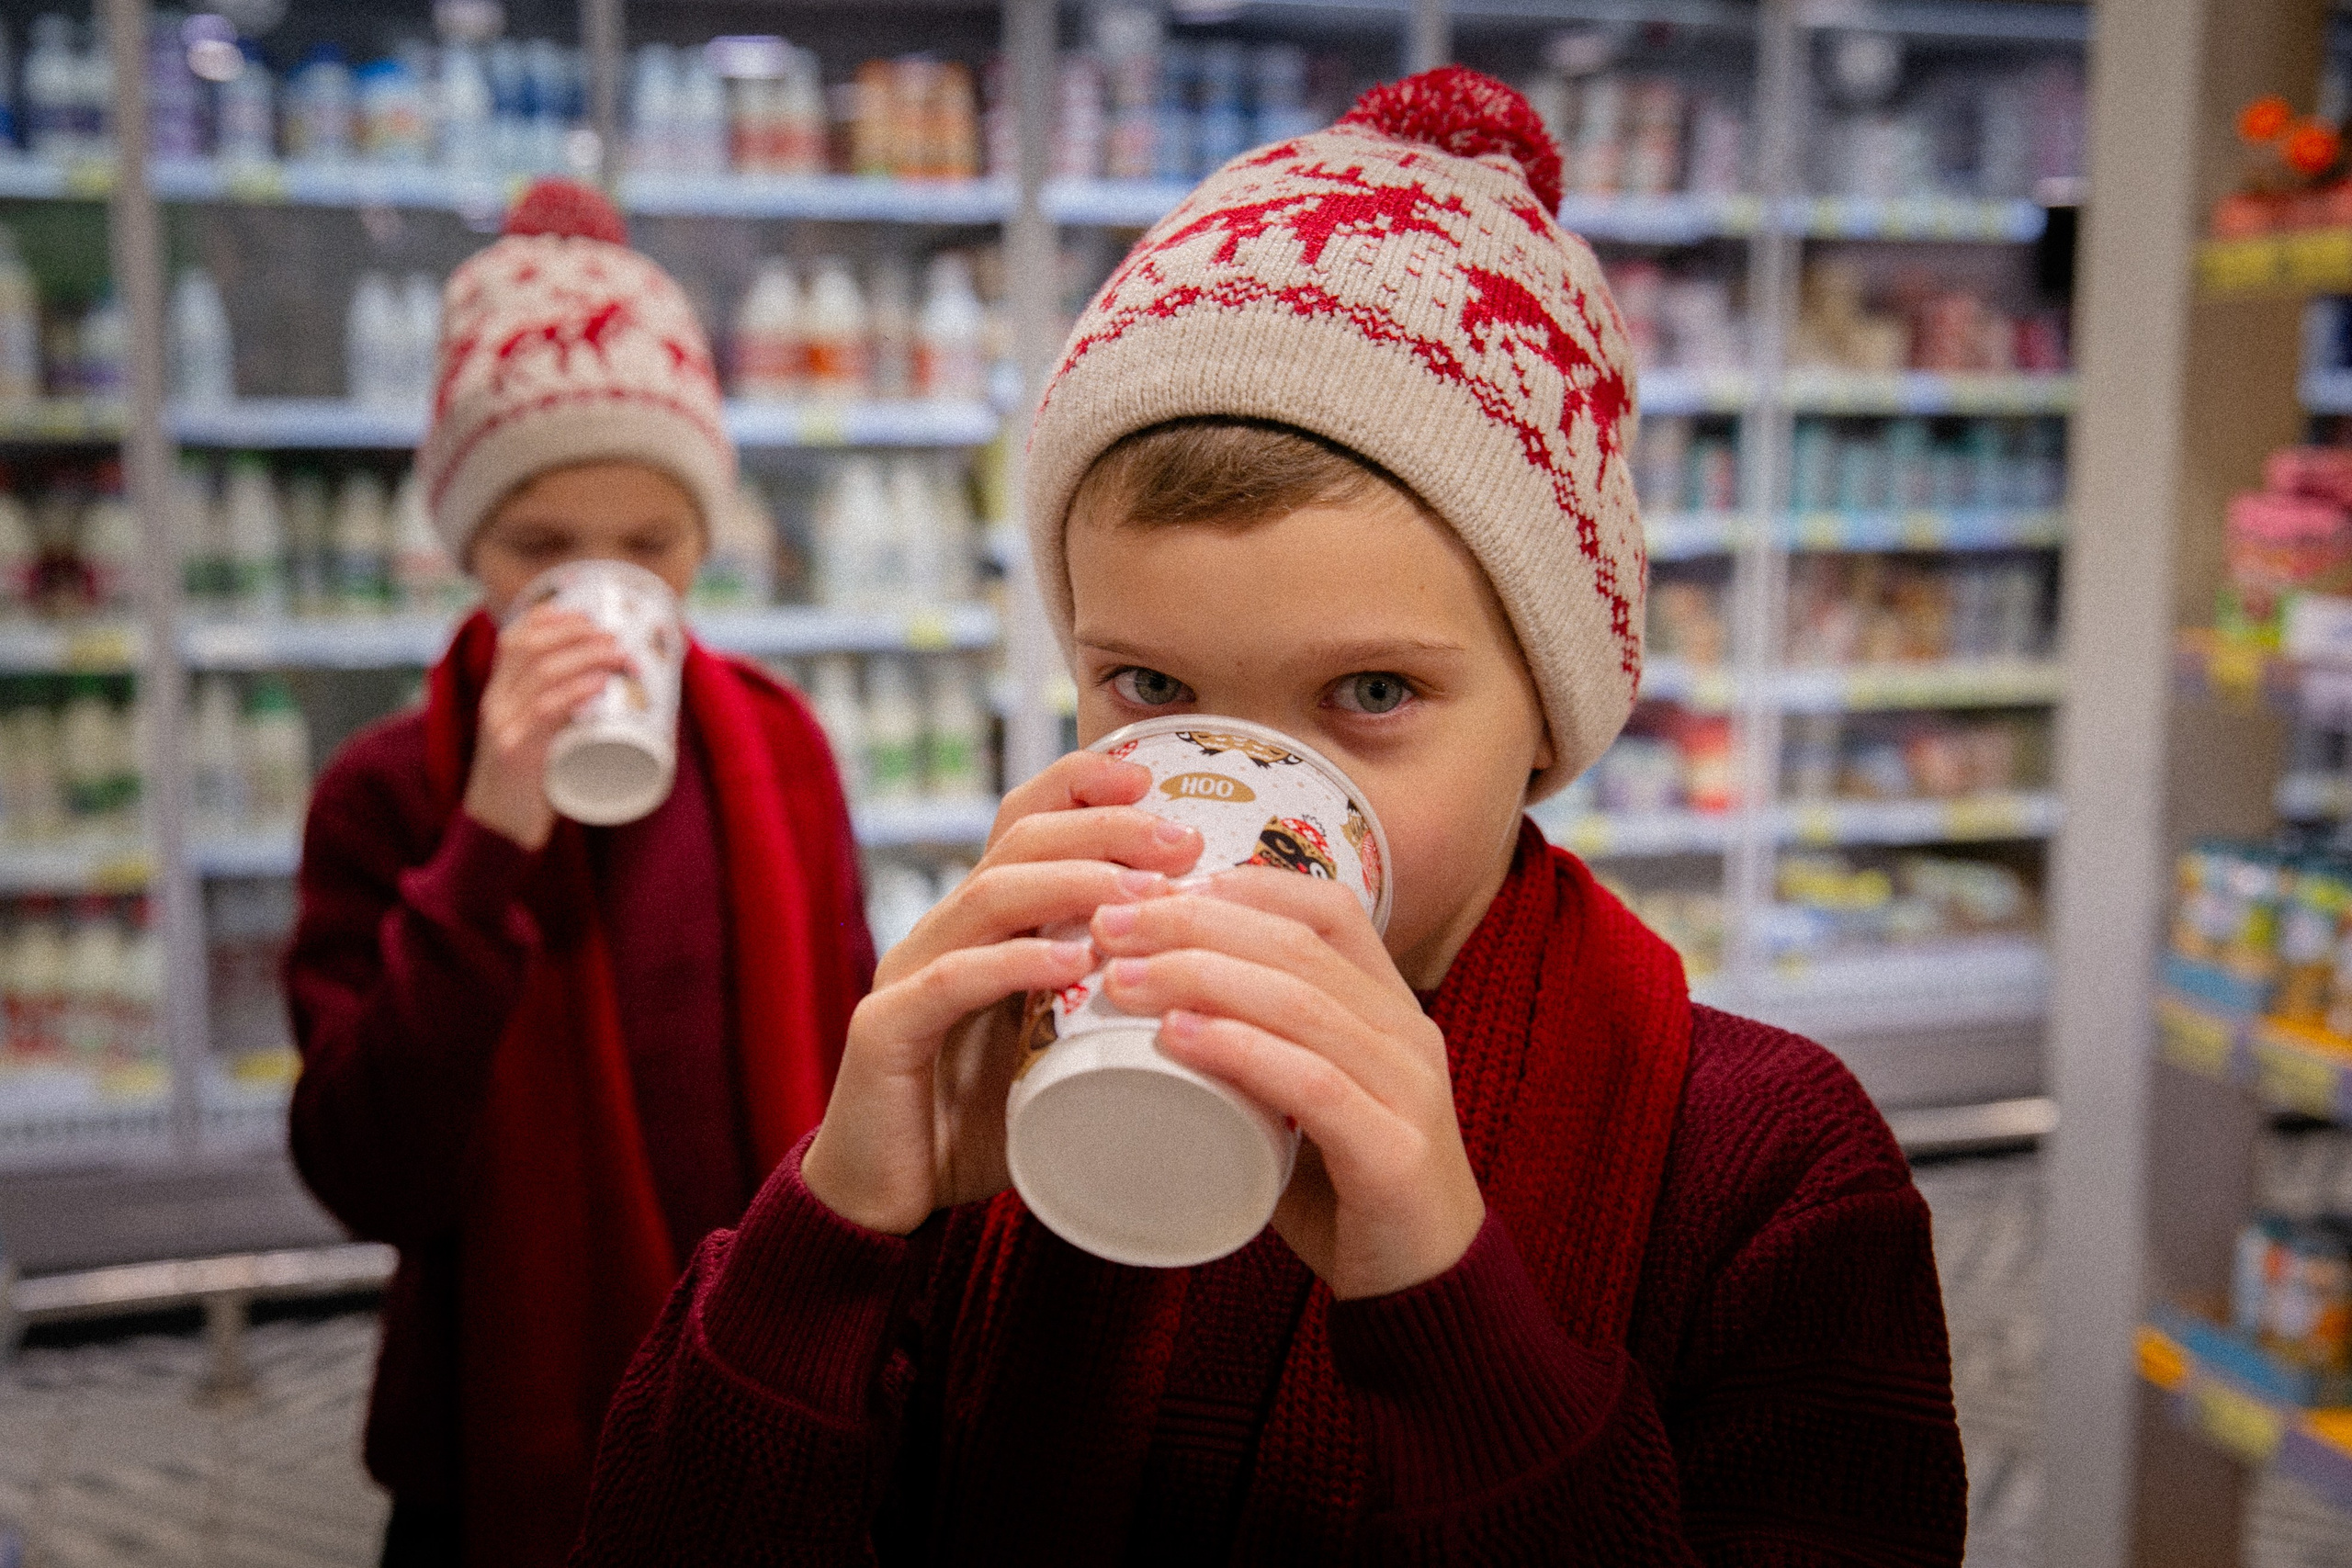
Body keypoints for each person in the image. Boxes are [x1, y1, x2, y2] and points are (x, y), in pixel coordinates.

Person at [573, 70, 1965, 1564]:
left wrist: (1453, 1310)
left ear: (1550, 718)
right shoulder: (1006, 1104)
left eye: (1371, 690)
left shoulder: (1767, 1175)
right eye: (1151, 686)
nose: (1244, 783)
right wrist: (837, 1229)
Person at [283, 179, 872, 1568]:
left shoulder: (780, 750)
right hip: (496, 1441)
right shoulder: (387, 793)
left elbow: (851, 1075)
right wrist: (487, 837)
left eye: (651, 546)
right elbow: (370, 1172)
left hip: (758, 1390)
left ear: (703, 540)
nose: (603, 587)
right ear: (466, 547)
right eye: (542, 548)